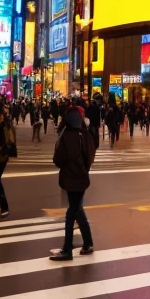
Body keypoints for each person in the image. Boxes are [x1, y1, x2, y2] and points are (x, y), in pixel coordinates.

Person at [49, 107, 96, 261]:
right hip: (82, 179)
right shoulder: (85, 134)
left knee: (72, 213)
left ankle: (68, 249)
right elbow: (90, 157)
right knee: (76, 210)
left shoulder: (67, 136)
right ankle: (86, 243)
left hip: (69, 179)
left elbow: (58, 160)